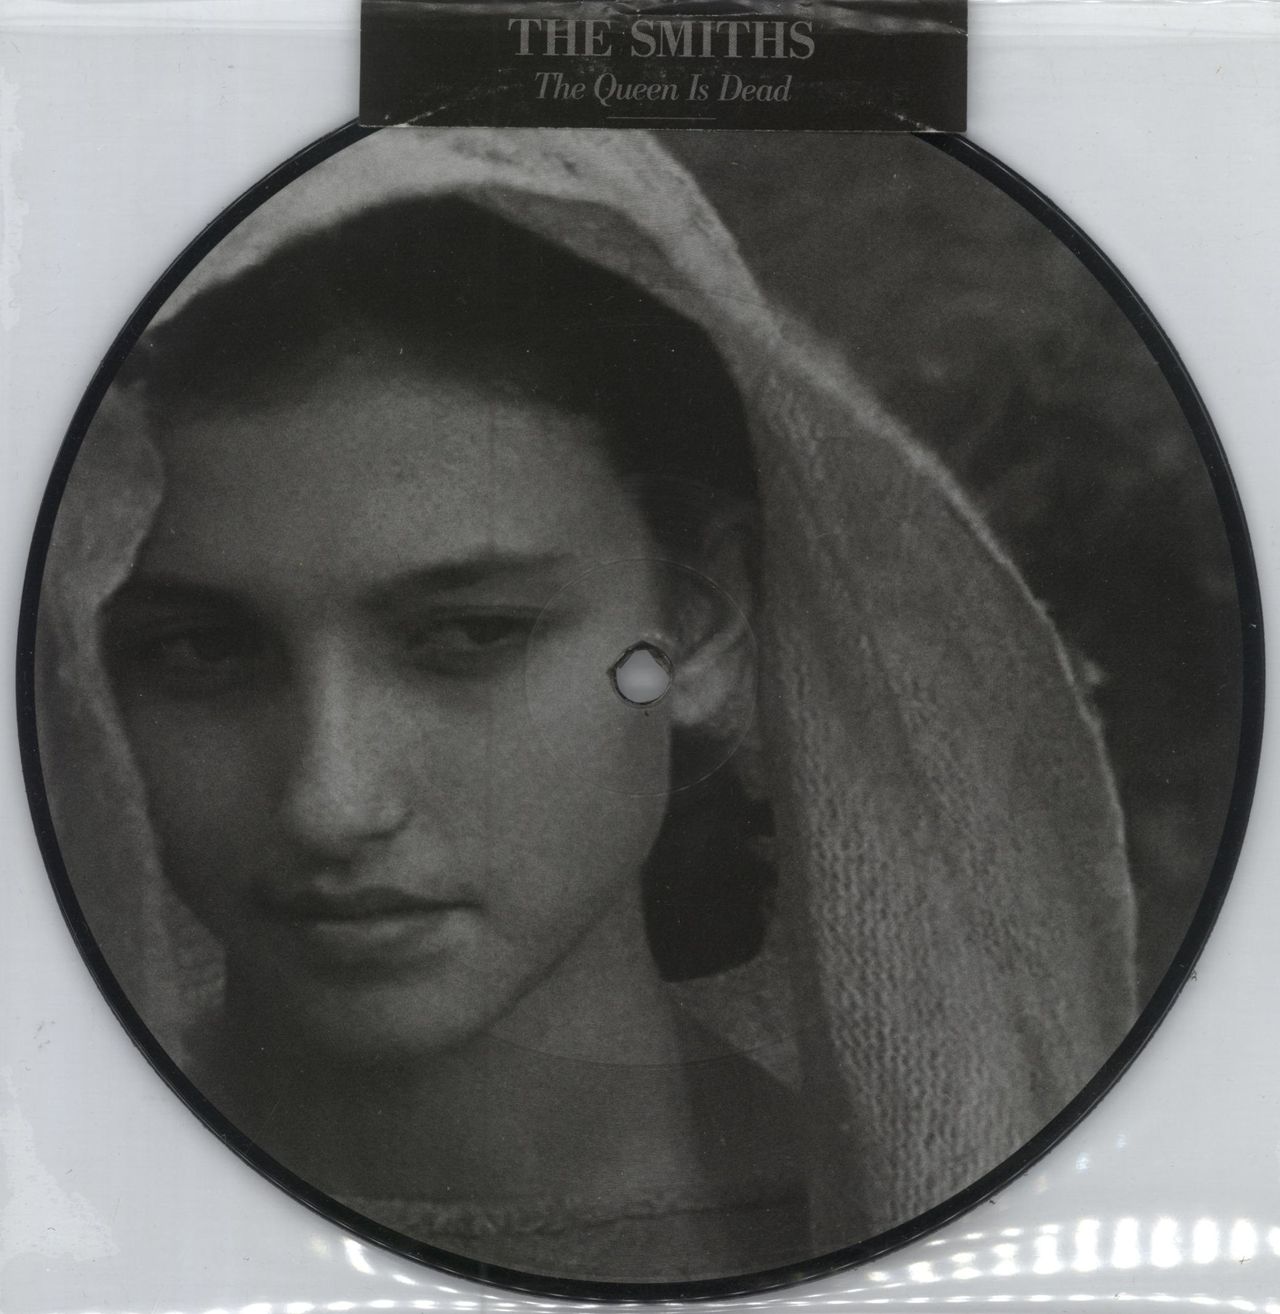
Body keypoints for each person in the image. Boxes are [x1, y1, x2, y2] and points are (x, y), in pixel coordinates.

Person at [34, 128, 1137, 1287]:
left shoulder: (949, 1239)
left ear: (693, 629)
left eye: (469, 635)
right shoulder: (56, 1219)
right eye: (199, 651)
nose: (329, 802)